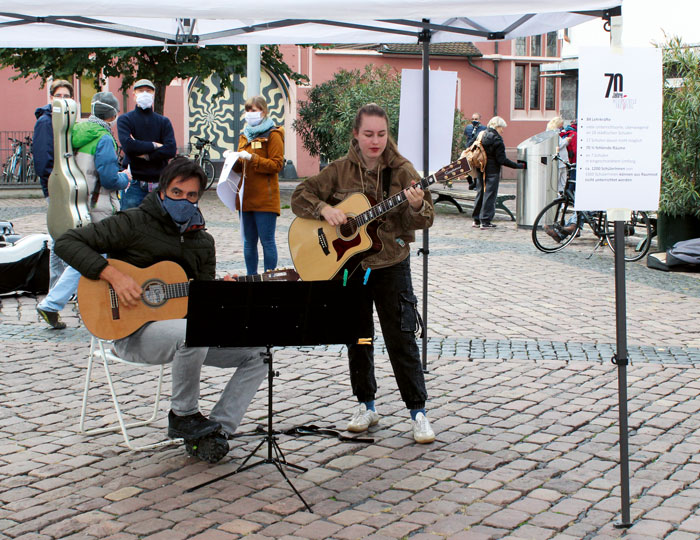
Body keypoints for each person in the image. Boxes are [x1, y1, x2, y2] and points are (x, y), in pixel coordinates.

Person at [54, 157, 267, 463]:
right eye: (177, 193)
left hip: (184, 335)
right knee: (191, 334)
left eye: (192, 196)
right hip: (130, 332)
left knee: (259, 351)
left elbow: (203, 303)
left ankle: (216, 431)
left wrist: (225, 293)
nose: (184, 201)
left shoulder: (202, 241)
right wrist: (113, 276)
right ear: (163, 190)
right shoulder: (133, 222)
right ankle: (184, 415)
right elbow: (67, 242)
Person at [291, 103, 436, 444]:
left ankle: (418, 412)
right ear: (355, 134)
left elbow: (425, 218)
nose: (375, 141)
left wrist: (416, 205)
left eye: (382, 135)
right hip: (349, 267)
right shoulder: (338, 171)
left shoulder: (402, 171)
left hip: (390, 264)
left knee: (401, 338)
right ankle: (365, 404)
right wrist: (325, 209)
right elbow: (300, 196)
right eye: (368, 134)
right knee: (358, 337)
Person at [36, 92, 130, 330]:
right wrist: (125, 177)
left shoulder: (77, 132)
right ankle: (54, 303)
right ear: (112, 114)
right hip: (100, 205)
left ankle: (66, 303)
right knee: (94, 258)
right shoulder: (104, 138)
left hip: (80, 203)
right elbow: (109, 178)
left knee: (93, 257)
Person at [232, 96, 284, 275]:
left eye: (254, 110)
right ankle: (251, 278)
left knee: (267, 241)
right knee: (248, 242)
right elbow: (240, 166)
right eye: (248, 110)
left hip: (265, 198)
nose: (250, 114)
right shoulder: (244, 135)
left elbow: (277, 165)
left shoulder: (273, 134)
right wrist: (233, 161)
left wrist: (253, 158)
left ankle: (269, 277)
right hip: (246, 197)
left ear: (263, 111)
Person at [33, 79, 74, 288]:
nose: (62, 100)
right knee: (59, 235)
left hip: (66, 183)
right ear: (51, 97)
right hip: (55, 185)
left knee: (64, 235)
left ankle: (61, 285)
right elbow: (43, 159)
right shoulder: (45, 122)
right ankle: (57, 285)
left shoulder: (67, 120)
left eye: (66, 96)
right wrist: (54, 180)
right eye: (58, 96)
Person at [117, 79, 177, 210]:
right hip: (134, 184)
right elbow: (128, 146)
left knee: (159, 226)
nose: (145, 93)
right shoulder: (125, 120)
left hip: (159, 185)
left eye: (148, 91)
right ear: (134, 95)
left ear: (153, 94)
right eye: (140, 91)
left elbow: (171, 149)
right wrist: (156, 145)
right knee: (130, 225)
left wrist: (146, 155)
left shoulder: (163, 122)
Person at [472, 116, 525, 230]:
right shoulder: (497, 139)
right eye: (502, 128)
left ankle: (476, 219)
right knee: (490, 195)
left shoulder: (481, 135)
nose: (503, 130)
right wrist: (518, 166)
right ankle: (485, 221)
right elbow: (502, 160)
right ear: (497, 126)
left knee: (481, 193)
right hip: (492, 171)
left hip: (481, 168)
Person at [546, 116, 571, 193]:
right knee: (557, 183)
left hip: (562, 161)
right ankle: (558, 200)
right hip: (558, 162)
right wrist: (566, 141)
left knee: (563, 183)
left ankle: (562, 201)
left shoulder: (556, 132)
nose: (562, 127)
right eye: (561, 125)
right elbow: (557, 145)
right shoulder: (551, 133)